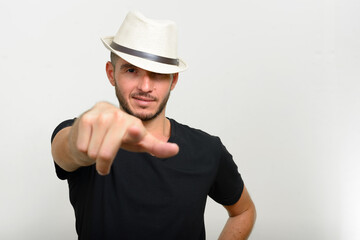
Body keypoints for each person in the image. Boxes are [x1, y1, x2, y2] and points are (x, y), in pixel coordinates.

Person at [51, 11, 256, 240]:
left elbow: (244, 211)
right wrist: (79, 137)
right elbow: (67, 148)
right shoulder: (90, 133)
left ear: (173, 81)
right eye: (131, 70)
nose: (145, 86)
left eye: (158, 74)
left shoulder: (208, 150)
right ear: (112, 74)